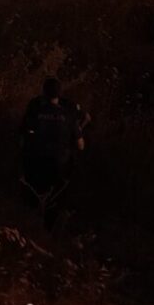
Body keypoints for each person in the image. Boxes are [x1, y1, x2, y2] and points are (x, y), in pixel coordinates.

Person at [20, 78, 89, 228]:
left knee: (36, 191)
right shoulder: (69, 115)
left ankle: (31, 220)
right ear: (60, 94)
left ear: (43, 93)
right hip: (60, 163)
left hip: (37, 161)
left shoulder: (36, 111)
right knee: (61, 193)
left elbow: (24, 135)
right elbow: (81, 146)